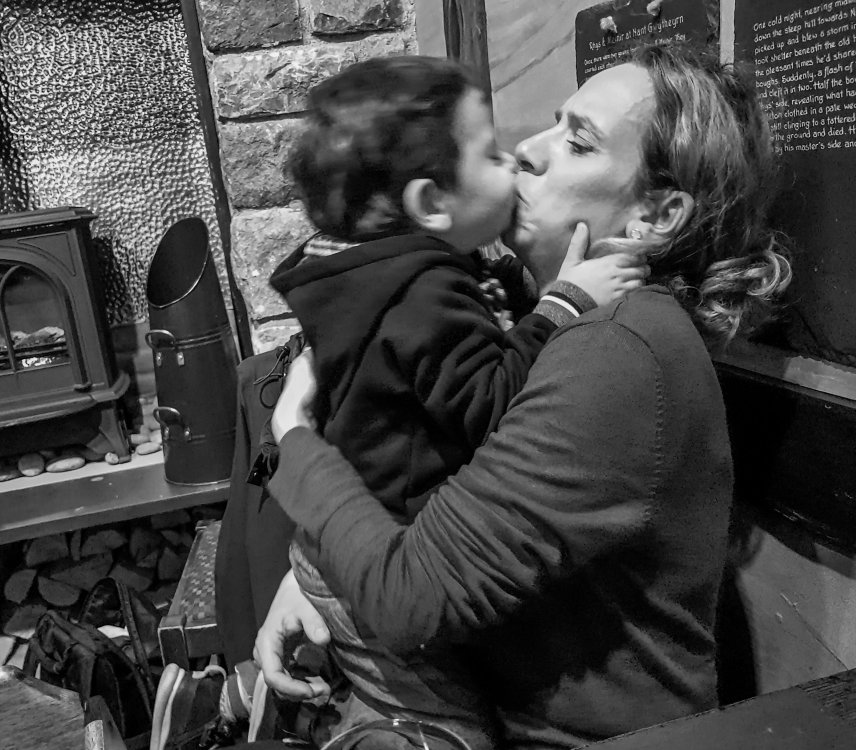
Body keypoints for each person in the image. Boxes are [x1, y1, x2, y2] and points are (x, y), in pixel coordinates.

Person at [256, 41, 793, 749]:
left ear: (657, 215)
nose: (527, 152)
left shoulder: (618, 345)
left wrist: (295, 443)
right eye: (551, 125)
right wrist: (319, 568)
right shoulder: (527, 309)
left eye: (578, 142)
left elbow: (410, 599)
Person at [265, 55, 649, 748]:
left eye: (575, 140)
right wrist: (564, 302)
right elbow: (491, 402)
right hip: (376, 566)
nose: (519, 158)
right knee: (449, 731)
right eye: (492, 154)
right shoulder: (424, 292)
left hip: (350, 549)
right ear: (432, 204)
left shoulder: (382, 274)